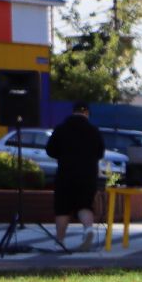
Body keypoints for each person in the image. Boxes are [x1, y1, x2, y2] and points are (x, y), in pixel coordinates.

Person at [43, 102, 105, 251]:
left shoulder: (61, 129)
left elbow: (50, 150)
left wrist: (63, 155)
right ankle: (88, 229)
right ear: (87, 113)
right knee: (84, 205)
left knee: (62, 207)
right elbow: (100, 153)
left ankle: (60, 240)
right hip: (88, 175)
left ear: (73, 112)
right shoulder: (94, 130)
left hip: (66, 173)